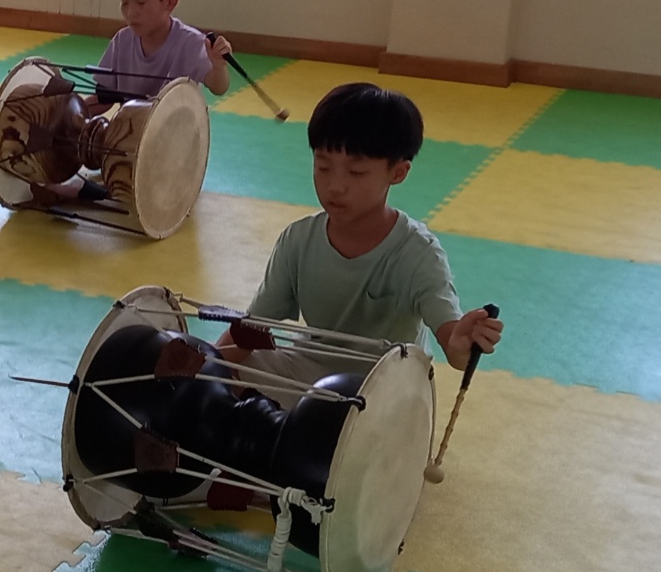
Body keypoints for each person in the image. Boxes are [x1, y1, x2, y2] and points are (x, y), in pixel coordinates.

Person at [215, 82, 504, 410]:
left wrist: (462, 346)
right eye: (323, 166)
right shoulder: (297, 240)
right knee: (228, 372)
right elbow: (250, 329)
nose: (335, 186)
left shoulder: (419, 253)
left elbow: (450, 337)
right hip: (308, 372)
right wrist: (206, 367)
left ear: (398, 172)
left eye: (356, 172)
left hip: (385, 390)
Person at [48, 0, 230, 202]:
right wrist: (67, 119)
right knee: (90, 145)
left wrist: (218, 66)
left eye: (141, 2)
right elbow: (104, 98)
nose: (131, 11)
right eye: (124, 2)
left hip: (173, 147)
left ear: (169, 1)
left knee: (122, 167)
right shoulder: (122, 40)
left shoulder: (190, 43)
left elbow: (219, 87)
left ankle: (88, 192)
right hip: (129, 139)